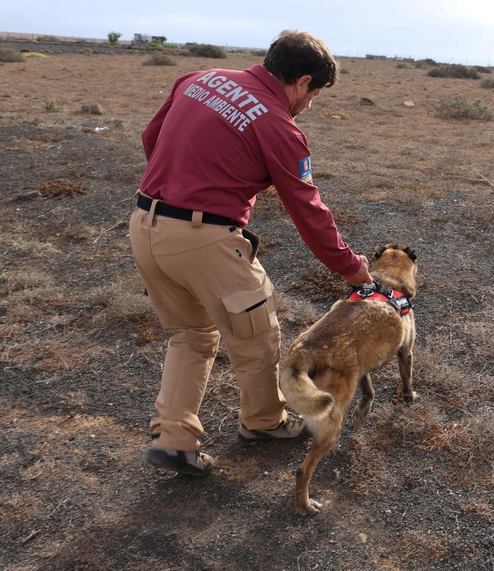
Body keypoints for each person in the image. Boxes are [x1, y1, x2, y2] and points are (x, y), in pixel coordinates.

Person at [129, 31, 372, 476]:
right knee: (257, 332)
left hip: (145, 223)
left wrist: (181, 181)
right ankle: (265, 422)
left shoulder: (198, 78)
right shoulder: (279, 126)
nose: (310, 104)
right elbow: (307, 208)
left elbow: (152, 138)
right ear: (301, 82)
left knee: (191, 334)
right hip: (205, 238)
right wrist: (351, 267)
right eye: (314, 93)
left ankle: (173, 439)